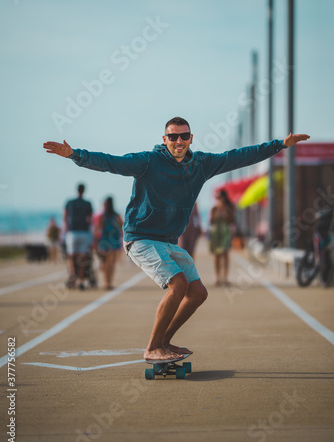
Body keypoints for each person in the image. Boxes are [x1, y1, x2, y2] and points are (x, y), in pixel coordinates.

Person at [43, 117, 310, 361]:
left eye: (184, 136)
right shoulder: (148, 161)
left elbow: (238, 157)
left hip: (168, 240)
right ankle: (152, 348)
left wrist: (280, 145)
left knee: (198, 293)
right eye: (173, 137)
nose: (179, 142)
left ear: (191, 138)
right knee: (178, 284)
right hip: (141, 238)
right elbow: (112, 162)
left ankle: (164, 342)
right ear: (164, 140)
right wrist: (75, 155)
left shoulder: (201, 164)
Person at [64, 184, 93, 290]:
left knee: (71, 256)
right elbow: (90, 219)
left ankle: (73, 274)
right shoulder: (87, 203)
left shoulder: (70, 203)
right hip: (84, 232)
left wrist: (66, 228)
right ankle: (80, 280)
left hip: (72, 232)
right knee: (83, 257)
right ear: (84, 190)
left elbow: (65, 216)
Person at [94, 196, 123, 290]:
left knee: (106, 262)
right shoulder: (116, 215)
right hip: (114, 240)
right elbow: (122, 227)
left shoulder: (103, 216)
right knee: (111, 263)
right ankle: (108, 282)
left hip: (105, 241)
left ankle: (106, 282)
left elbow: (98, 229)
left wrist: (95, 241)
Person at [209, 190, 235, 286]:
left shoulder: (229, 208)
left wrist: (226, 215)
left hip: (225, 233)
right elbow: (211, 221)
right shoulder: (214, 208)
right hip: (216, 233)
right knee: (216, 255)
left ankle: (225, 277)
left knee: (225, 255)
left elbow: (232, 220)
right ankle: (217, 277)